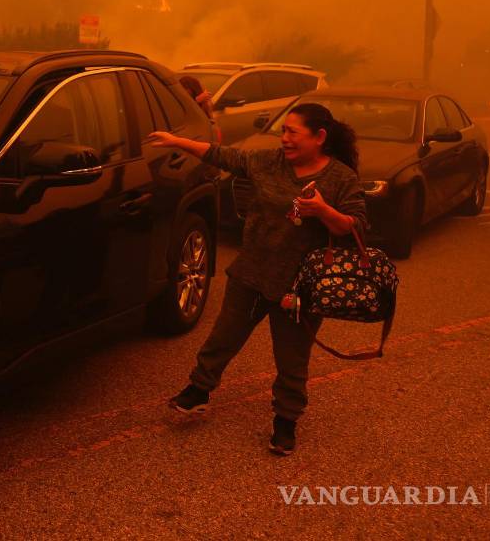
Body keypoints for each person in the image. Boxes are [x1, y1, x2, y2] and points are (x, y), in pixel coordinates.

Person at [148, 102, 368, 456]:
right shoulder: (268, 162)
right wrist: (177, 142)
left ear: (319, 137)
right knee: (223, 337)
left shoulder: (341, 178)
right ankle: (198, 391)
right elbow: (224, 156)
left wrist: (323, 210)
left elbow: (356, 227)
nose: (285, 139)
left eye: (293, 132)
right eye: (283, 131)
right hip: (252, 272)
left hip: (300, 288)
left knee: (292, 358)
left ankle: (286, 420)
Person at [179, 75, 222, 142]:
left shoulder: (203, 105)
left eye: (187, 92)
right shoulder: (178, 104)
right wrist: (196, 101)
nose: (184, 95)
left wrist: (200, 102)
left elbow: (208, 121)